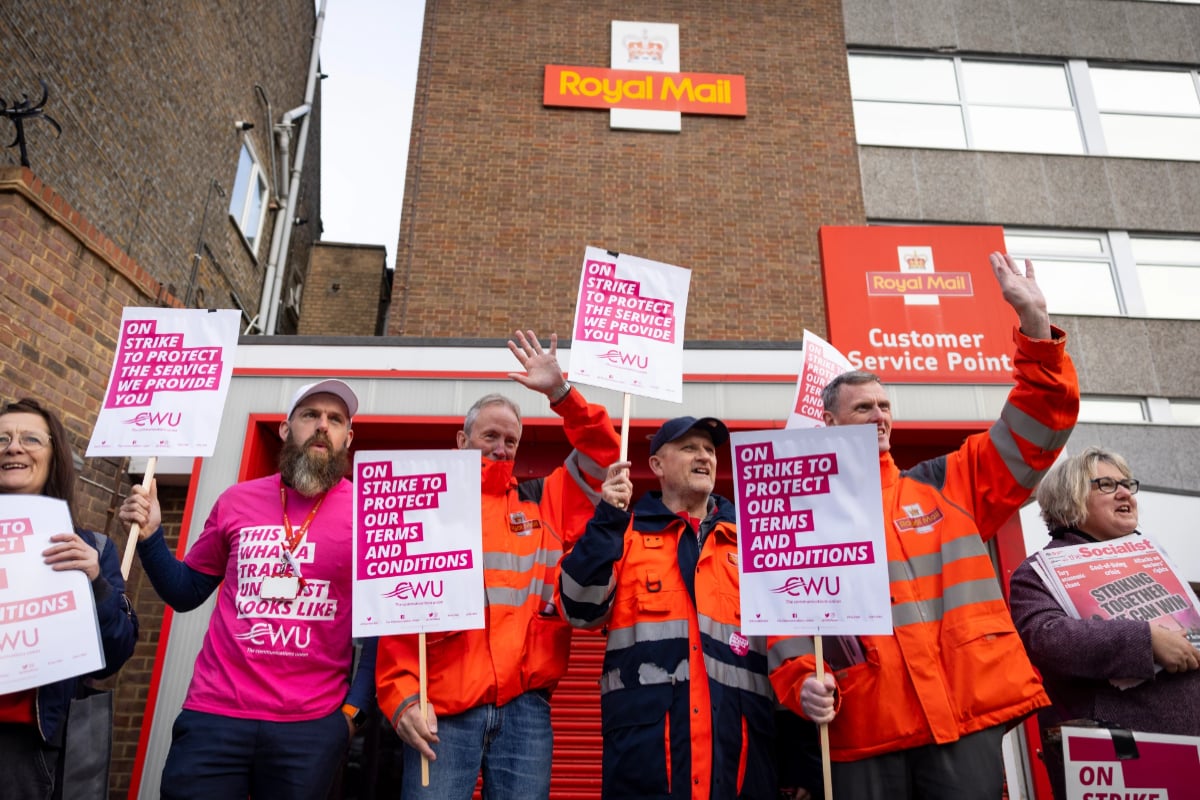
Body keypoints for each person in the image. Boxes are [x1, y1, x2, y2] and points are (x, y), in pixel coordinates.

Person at [768, 252, 1080, 800]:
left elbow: (1038, 423)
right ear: (830, 422)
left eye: (886, 405)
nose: (881, 415)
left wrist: (1033, 325)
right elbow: (788, 621)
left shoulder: (948, 484)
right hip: (866, 726)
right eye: (864, 406)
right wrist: (799, 683)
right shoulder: (802, 517)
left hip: (963, 717)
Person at [375, 330, 620, 800]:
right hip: (442, 710)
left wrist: (560, 394)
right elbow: (394, 616)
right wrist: (401, 696)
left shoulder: (542, 500)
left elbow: (602, 454)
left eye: (511, 439)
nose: (501, 447)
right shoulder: (424, 509)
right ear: (462, 438)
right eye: (490, 435)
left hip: (526, 710)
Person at [119, 379, 376, 800]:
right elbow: (186, 592)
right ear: (285, 428)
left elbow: (379, 629)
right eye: (310, 415)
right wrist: (149, 537)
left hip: (310, 727)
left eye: (335, 419)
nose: (322, 426)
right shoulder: (236, 500)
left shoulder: (367, 512)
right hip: (215, 715)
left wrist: (353, 713)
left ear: (348, 438)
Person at [558, 416, 777, 800]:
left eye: (710, 450)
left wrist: (800, 758)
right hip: (647, 759)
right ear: (656, 465)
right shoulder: (623, 533)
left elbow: (785, 647)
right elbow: (579, 607)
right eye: (690, 448)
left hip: (739, 758)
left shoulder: (751, 542)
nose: (704, 457)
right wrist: (608, 518)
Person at [1008, 447, 1200, 799]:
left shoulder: (1155, 560)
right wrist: (1145, 640)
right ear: (1071, 500)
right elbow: (1047, 640)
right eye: (1108, 485)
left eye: (1127, 484)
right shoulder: (1037, 572)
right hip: (1117, 753)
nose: (1126, 493)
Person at [0, 398, 138, 800]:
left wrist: (95, 583)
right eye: (2, 439)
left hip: (28, 745)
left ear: (54, 455)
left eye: (30, 438)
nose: (13, 447)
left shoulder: (92, 548)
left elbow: (113, 656)